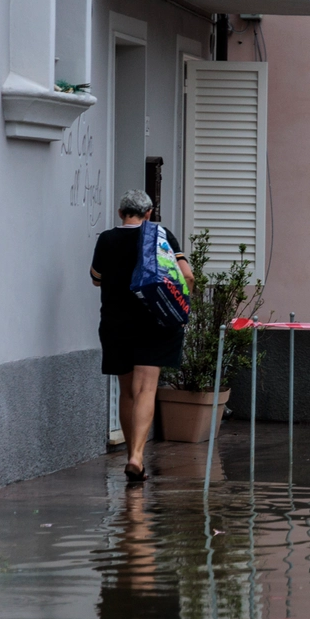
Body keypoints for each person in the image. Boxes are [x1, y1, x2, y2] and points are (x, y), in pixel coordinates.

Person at [90, 190, 194, 482]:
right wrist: (181, 305)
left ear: (121, 213)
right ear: (148, 213)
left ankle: (129, 456)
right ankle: (137, 456)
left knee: (126, 391)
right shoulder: (160, 235)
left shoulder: (106, 239)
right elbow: (186, 274)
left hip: (115, 324)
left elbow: (96, 278)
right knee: (146, 389)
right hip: (155, 321)